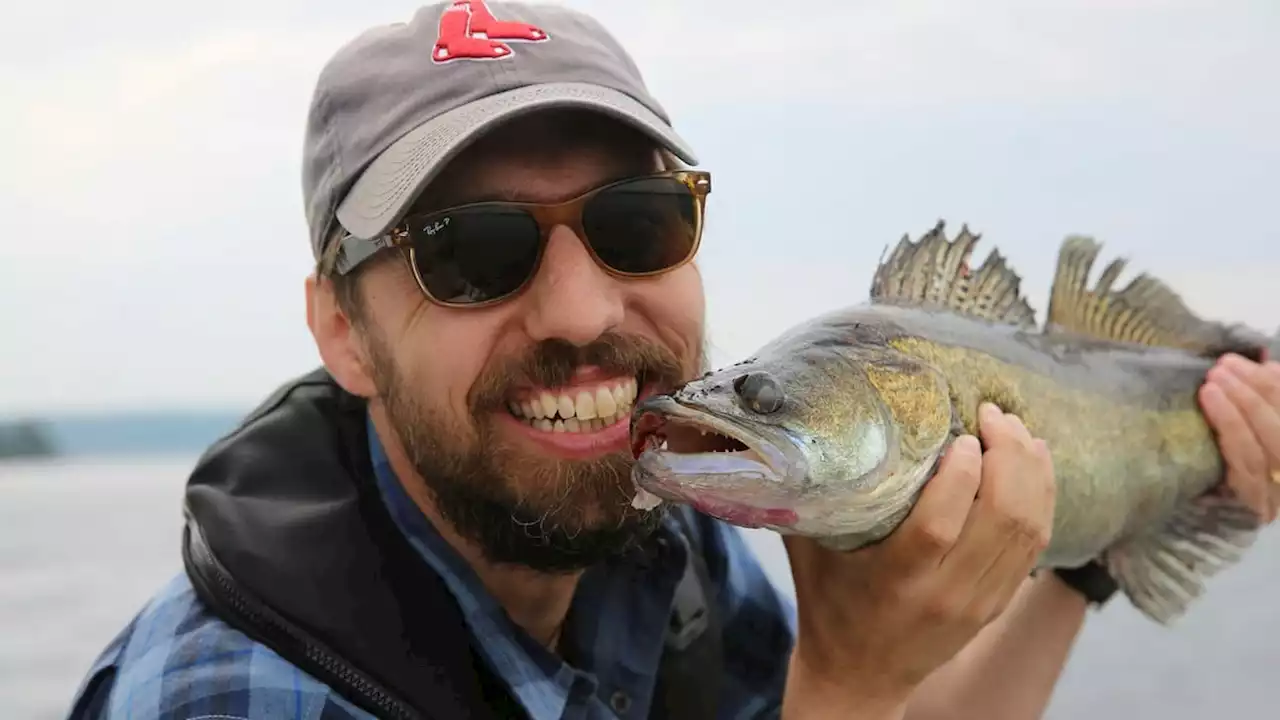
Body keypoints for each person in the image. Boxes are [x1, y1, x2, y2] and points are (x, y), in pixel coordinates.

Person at [66, 2, 1280, 719]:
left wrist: (1084, 560)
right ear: (342, 331)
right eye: (470, 252)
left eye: (634, 223)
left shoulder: (667, 548)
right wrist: (845, 688)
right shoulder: (228, 696)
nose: (582, 308)